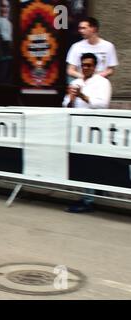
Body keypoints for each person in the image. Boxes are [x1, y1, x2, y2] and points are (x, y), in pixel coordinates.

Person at [63, 53, 112, 213]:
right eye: (83, 65)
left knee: (92, 162)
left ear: (95, 66)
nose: (85, 68)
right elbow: (65, 106)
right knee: (84, 163)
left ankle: (89, 199)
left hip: (95, 129)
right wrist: (71, 98)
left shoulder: (102, 82)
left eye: (89, 65)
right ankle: (91, 194)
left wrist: (83, 96)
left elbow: (102, 104)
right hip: (78, 128)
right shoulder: (76, 82)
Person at [0, 0, 13, 84]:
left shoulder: (8, 22)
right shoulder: (0, 21)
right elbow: (5, 40)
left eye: (7, 6)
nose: (5, 9)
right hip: (4, 57)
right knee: (3, 79)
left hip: (7, 56)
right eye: (3, 6)